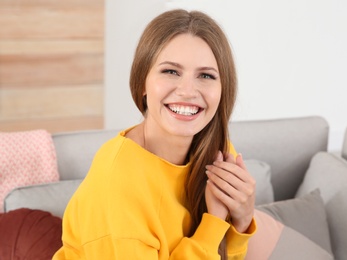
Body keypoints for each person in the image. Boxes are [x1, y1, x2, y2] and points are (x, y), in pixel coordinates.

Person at [53, 9, 256, 259]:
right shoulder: (118, 184)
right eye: (171, 71)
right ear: (142, 84)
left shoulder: (215, 149)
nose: (187, 91)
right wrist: (214, 222)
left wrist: (242, 220)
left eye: (206, 75)